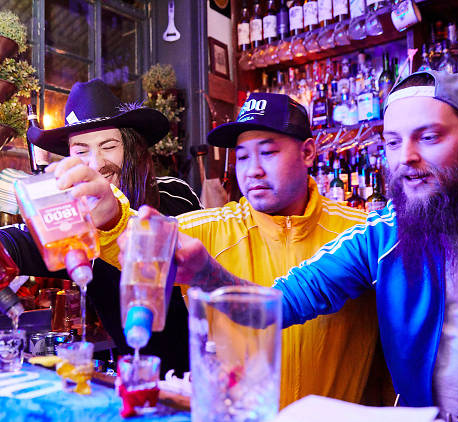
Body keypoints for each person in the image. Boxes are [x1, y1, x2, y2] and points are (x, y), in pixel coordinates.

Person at [146, 70, 458, 421]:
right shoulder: (381, 233)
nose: (406, 158)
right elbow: (278, 304)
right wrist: (205, 273)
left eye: (428, 137)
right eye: (393, 142)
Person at [92, 92, 380, 408]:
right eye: (242, 157)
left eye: (268, 153)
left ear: (308, 152)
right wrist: (111, 217)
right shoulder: (213, 228)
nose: (252, 170)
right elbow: (134, 234)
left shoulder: (363, 233)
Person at [0, 79, 201, 377]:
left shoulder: (175, 195)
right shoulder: (68, 220)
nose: (95, 163)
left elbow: (202, 268)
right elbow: (9, 246)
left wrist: (116, 219)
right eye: (81, 151)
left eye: (109, 146)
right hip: (134, 379)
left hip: (202, 372)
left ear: (132, 149)